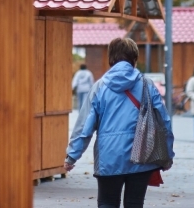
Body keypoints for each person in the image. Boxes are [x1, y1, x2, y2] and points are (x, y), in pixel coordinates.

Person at [64, 37, 174, 208]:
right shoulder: (147, 85)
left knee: (107, 203)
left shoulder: (100, 87)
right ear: (134, 59)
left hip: (109, 158)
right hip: (142, 157)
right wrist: (167, 155)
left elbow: (85, 126)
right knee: (135, 203)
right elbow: (164, 121)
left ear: (111, 59)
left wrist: (72, 155)